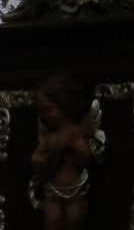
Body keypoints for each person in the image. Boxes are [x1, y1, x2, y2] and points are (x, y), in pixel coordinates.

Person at [31, 76, 95, 229]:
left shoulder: (77, 132)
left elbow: (85, 161)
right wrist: (37, 159)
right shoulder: (50, 138)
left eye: (48, 110)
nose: (45, 116)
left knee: (74, 222)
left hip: (76, 189)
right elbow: (36, 156)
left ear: (63, 105)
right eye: (42, 113)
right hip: (53, 190)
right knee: (53, 221)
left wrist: (82, 151)